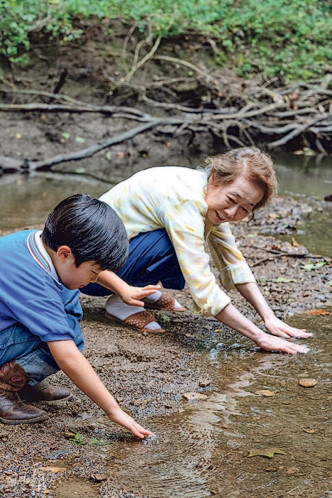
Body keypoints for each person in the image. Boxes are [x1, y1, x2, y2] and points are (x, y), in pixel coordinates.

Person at [82, 147, 312, 355]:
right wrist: (260, 337)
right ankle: (122, 300)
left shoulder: (206, 194)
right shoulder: (187, 201)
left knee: (184, 238)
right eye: (232, 199)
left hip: (110, 257)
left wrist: (268, 316)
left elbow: (232, 260)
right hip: (89, 273)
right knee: (176, 243)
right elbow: (202, 284)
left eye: (245, 209)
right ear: (215, 178)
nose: (232, 212)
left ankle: (140, 286)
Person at [0, 193, 155, 438]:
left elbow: (89, 263)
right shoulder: (34, 282)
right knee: (68, 338)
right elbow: (67, 356)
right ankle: (4, 387)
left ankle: (23, 377)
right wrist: (113, 411)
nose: (94, 280)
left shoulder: (37, 243)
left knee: (67, 306)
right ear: (64, 254)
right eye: (93, 274)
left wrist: (122, 288)